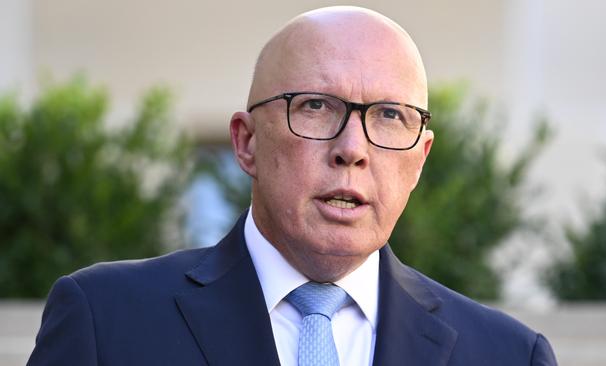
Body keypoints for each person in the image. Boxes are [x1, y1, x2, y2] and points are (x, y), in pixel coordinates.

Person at [28, 6, 557, 366]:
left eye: (390, 115)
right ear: (247, 142)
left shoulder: (507, 355)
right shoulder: (105, 321)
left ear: (418, 161)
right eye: (315, 106)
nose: (352, 148)